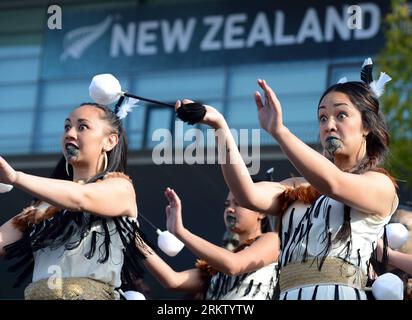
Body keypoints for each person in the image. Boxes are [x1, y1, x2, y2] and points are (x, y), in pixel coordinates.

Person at [175, 58, 398, 300]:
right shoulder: (297, 187)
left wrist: (279, 132)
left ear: (366, 126)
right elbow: (245, 194)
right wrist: (219, 125)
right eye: (322, 118)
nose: (329, 125)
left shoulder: (380, 185)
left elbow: (334, 183)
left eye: (341, 115)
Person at [0, 102, 147, 300]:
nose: (69, 133)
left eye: (82, 127)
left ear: (110, 141)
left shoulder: (120, 188)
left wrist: (16, 178)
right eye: (67, 127)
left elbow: (80, 197)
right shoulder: (41, 208)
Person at [138, 187, 279, 300]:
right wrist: (134, 237)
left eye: (238, 203)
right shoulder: (215, 267)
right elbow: (173, 280)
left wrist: (180, 232)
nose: (230, 209)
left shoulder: (272, 240)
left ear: (261, 212)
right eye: (227, 204)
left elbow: (233, 264)